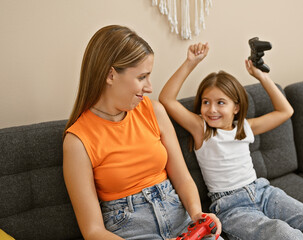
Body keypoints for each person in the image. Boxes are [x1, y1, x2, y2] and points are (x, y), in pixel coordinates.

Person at [159, 42, 303, 240]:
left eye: (221, 102)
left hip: (263, 192)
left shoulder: (244, 127)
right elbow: (167, 99)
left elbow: (286, 111)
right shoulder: (201, 129)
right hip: (231, 206)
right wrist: (190, 62)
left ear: (236, 107)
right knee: (282, 233)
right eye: (206, 102)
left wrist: (261, 76)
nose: (211, 109)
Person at [62, 25, 222, 240]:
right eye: (142, 77)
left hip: (180, 219)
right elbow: (93, 231)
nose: (149, 87)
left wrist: (197, 216)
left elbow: (182, 178)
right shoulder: (77, 141)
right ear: (111, 75)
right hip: (130, 232)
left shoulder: (154, 111)